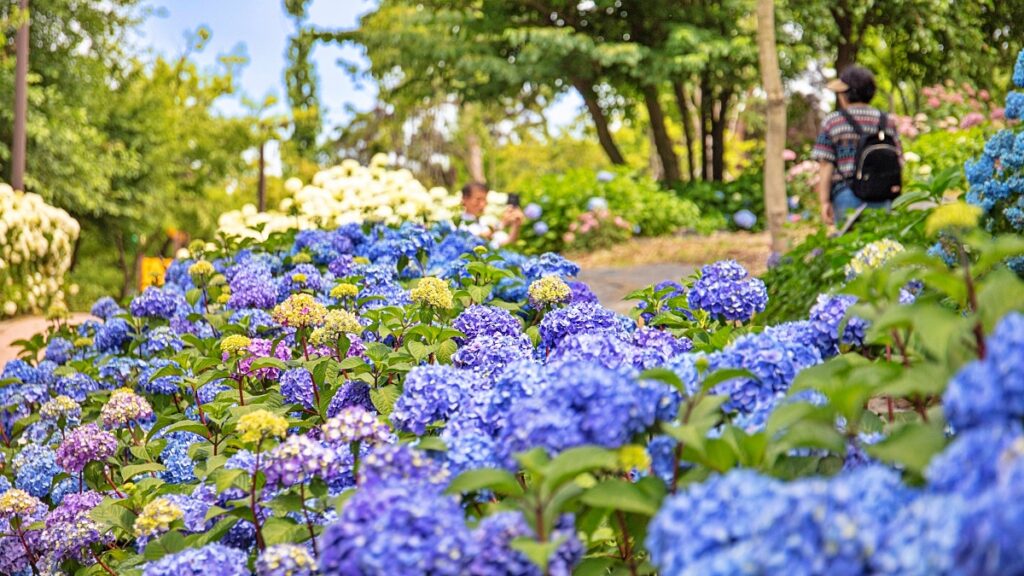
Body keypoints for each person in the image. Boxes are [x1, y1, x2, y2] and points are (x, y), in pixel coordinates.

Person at [812, 65, 903, 227]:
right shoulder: (887, 120)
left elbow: (826, 164)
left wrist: (824, 201)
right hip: (883, 194)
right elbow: (899, 158)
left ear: (846, 94)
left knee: (849, 247)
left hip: (847, 194)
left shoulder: (833, 122)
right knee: (880, 245)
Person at [459, 181, 524, 247]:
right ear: (464, 199)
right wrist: (502, 223)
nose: (482, 204)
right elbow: (475, 240)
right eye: (478, 199)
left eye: (484, 200)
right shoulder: (461, 223)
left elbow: (506, 244)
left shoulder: (483, 222)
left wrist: (516, 225)